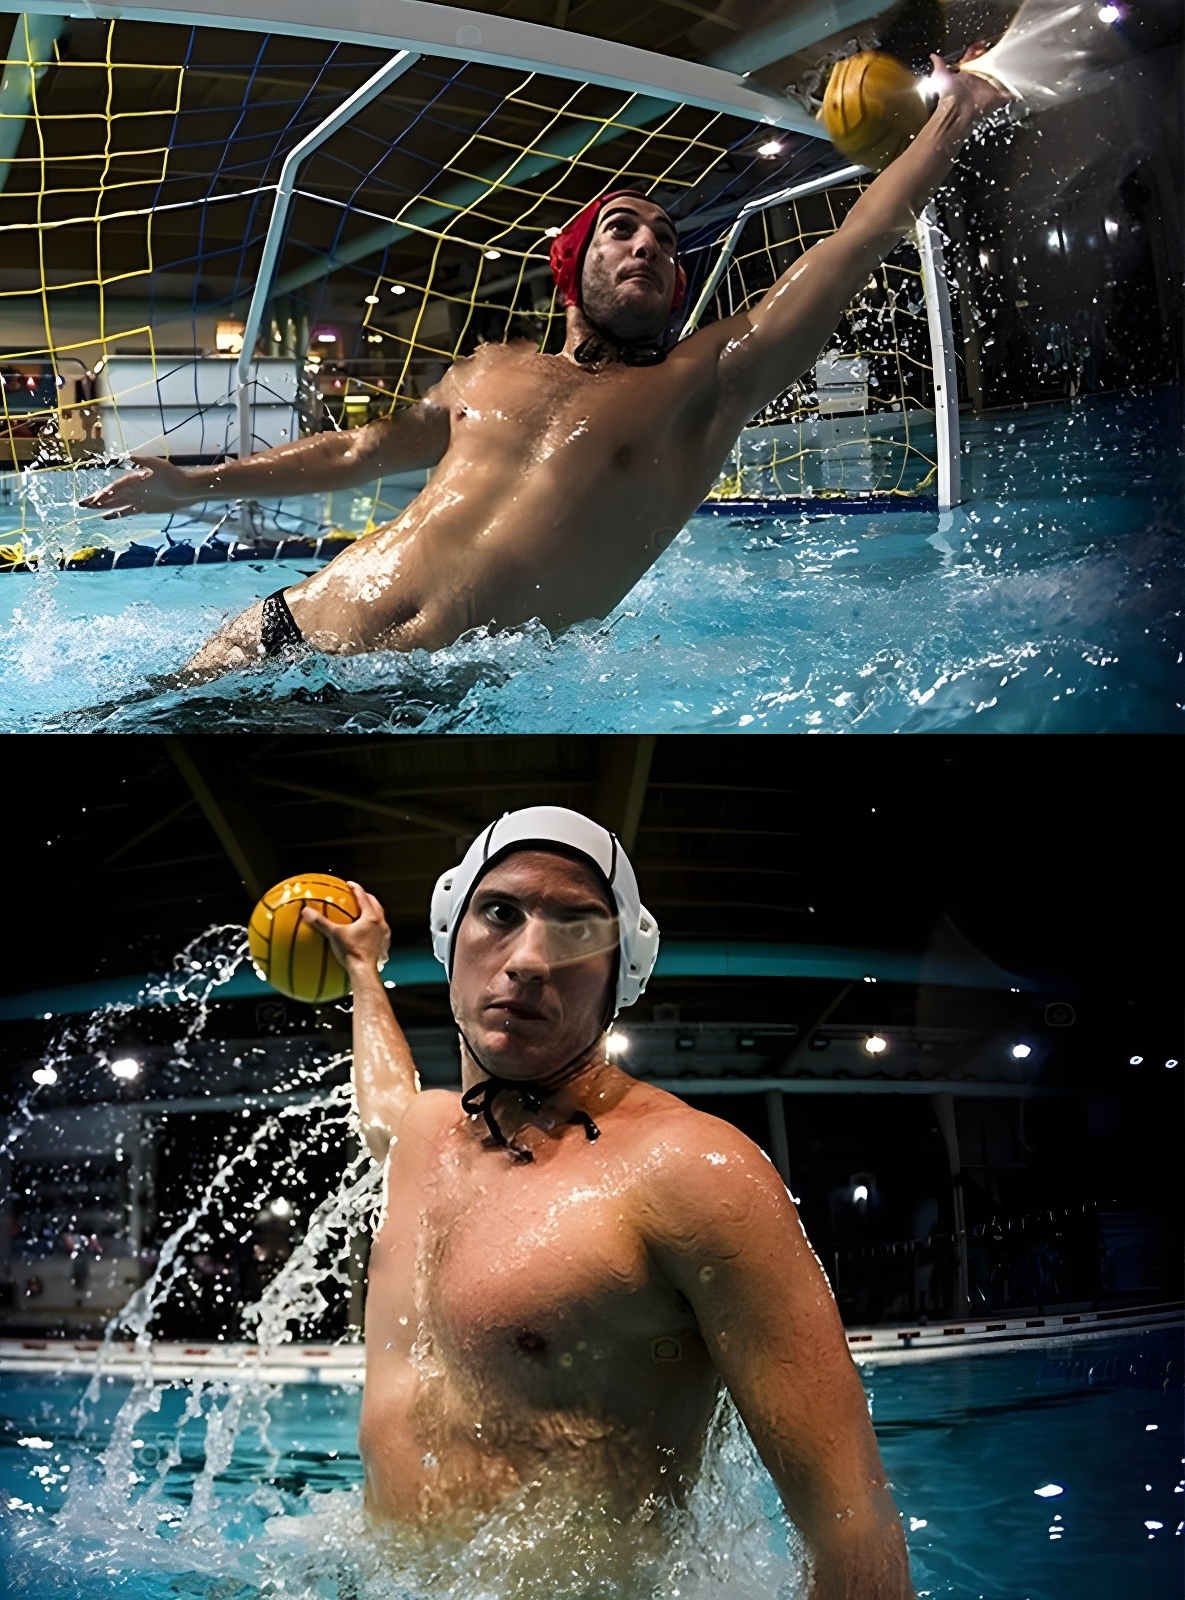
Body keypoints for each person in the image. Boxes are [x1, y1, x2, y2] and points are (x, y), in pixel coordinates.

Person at [81, 60, 1008, 680]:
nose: (648, 245)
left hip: (427, 700)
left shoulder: (706, 382)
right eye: (622, 229)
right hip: (284, 627)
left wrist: (956, 110)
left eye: (666, 241)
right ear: (573, 266)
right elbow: (361, 450)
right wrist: (198, 483)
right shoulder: (489, 367)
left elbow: (853, 243)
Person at [304, 807, 916, 1599]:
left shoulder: (694, 1171)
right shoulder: (428, 1136)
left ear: (623, 973)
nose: (527, 958)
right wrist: (362, 971)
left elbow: (853, 1531)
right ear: (450, 935)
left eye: (577, 930)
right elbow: (386, 1106)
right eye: (499, 913)